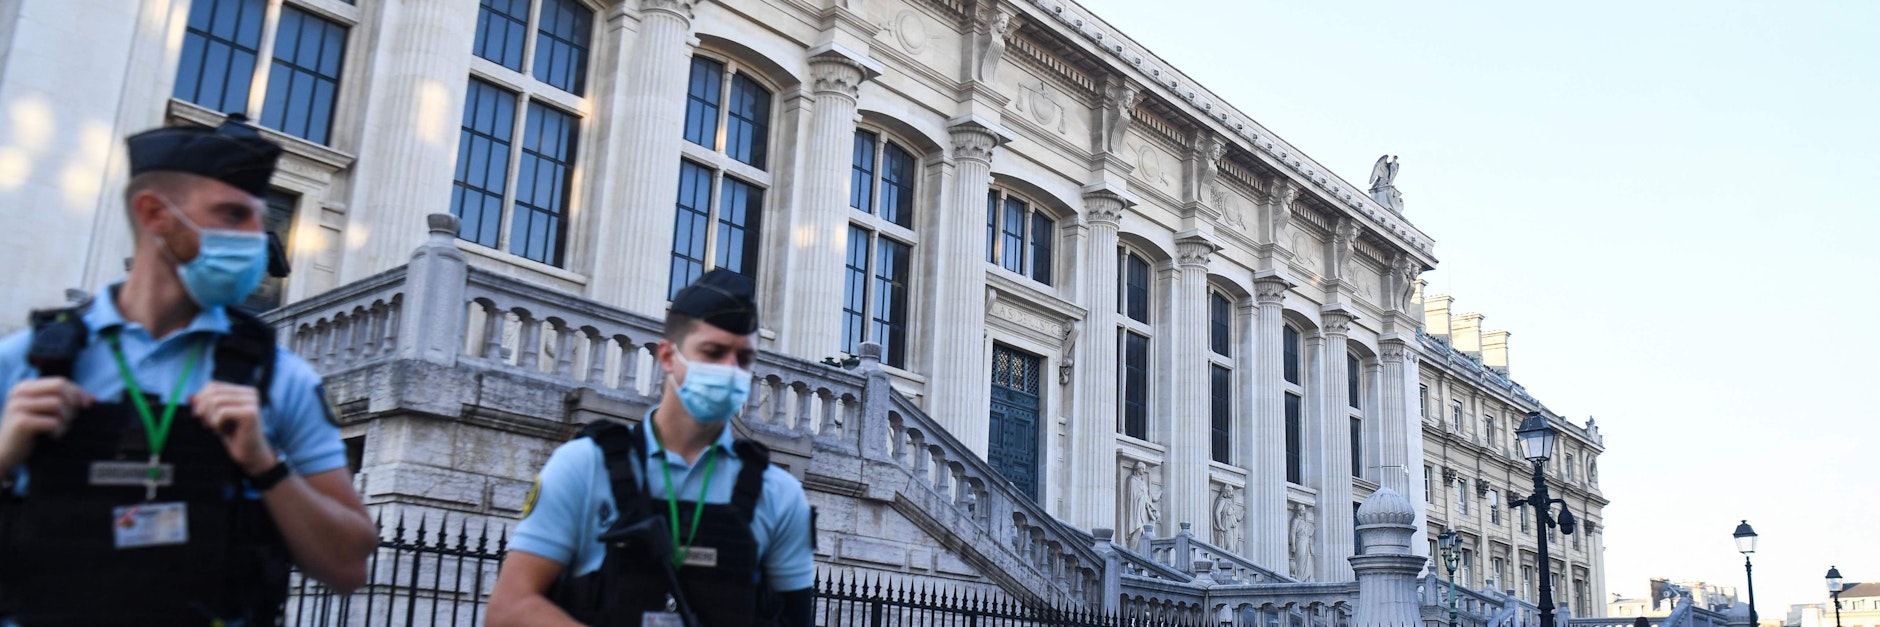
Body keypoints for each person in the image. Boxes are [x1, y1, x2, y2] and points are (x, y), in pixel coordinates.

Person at [0, 115, 378, 625]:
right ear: (155, 213)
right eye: (232, 215)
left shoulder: (283, 380)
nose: (258, 239)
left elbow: (349, 568)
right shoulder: (22, 362)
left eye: (258, 219)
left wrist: (266, 465)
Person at [490, 269, 815, 627]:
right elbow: (509, 609)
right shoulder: (583, 466)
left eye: (744, 359)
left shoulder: (780, 495)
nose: (730, 370)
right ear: (668, 356)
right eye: (714, 352)